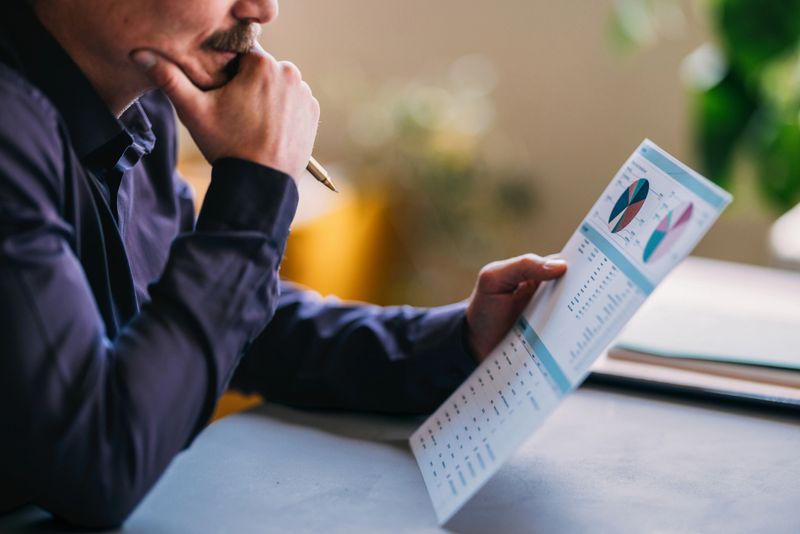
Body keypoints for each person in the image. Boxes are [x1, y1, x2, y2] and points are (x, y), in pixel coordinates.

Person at [0, 0, 567, 527]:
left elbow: (220, 317)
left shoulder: (141, 107)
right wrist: (255, 185)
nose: (261, 8)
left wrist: (456, 341)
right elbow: (98, 463)